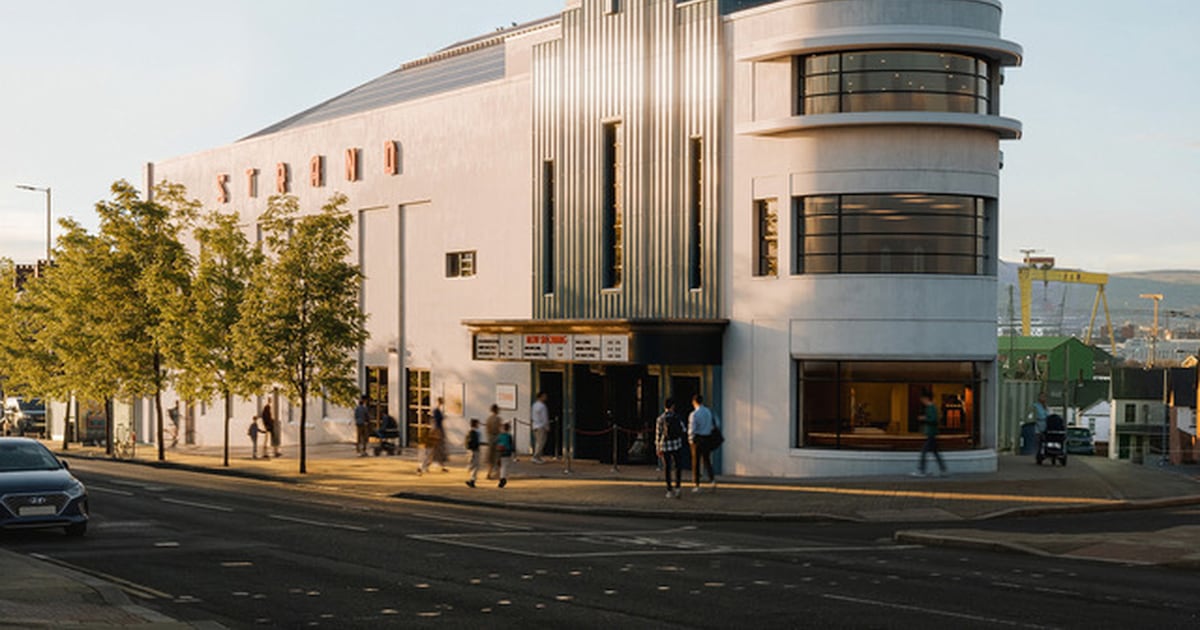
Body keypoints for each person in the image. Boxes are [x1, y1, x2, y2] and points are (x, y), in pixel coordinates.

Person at [656, 398, 685, 499]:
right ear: (673, 406)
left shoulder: (660, 418)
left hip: (665, 446)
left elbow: (658, 435)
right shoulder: (677, 417)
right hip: (677, 445)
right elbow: (683, 429)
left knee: (667, 468)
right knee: (678, 467)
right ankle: (678, 488)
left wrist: (658, 448)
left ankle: (669, 490)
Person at [914, 390, 947, 477]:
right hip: (932, 433)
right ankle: (943, 469)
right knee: (935, 452)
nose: (922, 401)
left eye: (923, 399)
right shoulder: (931, 408)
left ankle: (922, 470)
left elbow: (934, 419)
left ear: (926, 399)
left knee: (924, 451)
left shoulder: (931, 408)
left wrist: (924, 418)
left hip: (931, 433)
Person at [688, 394, 716, 493]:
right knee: (707, 460)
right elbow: (713, 425)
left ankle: (696, 484)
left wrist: (690, 439)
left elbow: (692, 428)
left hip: (698, 438)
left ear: (694, 402)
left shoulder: (694, 414)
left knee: (695, 461)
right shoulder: (708, 411)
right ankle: (712, 480)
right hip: (707, 437)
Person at [418, 398, 448, 474]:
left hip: (438, 432)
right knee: (431, 452)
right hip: (436, 433)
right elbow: (437, 422)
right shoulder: (436, 412)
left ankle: (440, 465)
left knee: (437, 451)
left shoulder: (437, 411)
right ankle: (422, 467)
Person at [531, 391, 550, 463]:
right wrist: (547, 426)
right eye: (544, 396)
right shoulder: (542, 406)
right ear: (541, 397)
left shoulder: (534, 405)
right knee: (541, 442)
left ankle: (538, 456)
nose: (545, 397)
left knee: (538, 442)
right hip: (541, 426)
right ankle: (536, 456)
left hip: (535, 425)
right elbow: (544, 417)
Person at [485, 404, 503, 480]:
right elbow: (500, 429)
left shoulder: (488, 419)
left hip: (490, 439)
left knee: (490, 458)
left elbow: (487, 429)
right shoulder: (498, 419)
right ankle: (499, 474)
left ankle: (489, 473)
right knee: (498, 457)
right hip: (497, 438)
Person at [494, 421, 514, 488]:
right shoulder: (509, 436)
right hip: (507, 452)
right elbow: (511, 445)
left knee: (502, 465)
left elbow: (496, 443)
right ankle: (503, 478)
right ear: (509, 429)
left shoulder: (499, 436)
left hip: (500, 452)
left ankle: (502, 477)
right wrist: (512, 451)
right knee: (505, 466)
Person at [464, 418, 481, 488]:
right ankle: (472, 480)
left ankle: (472, 478)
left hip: (470, 450)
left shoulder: (469, 432)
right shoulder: (475, 433)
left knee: (472, 464)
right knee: (475, 465)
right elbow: (475, 442)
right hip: (475, 450)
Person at [1033, 391, 1049, 457]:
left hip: (1046, 427)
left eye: (1044, 397)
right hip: (1038, 427)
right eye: (1042, 397)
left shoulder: (1046, 407)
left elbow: (1048, 415)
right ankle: (1039, 454)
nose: (1043, 398)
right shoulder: (1035, 406)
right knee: (1039, 441)